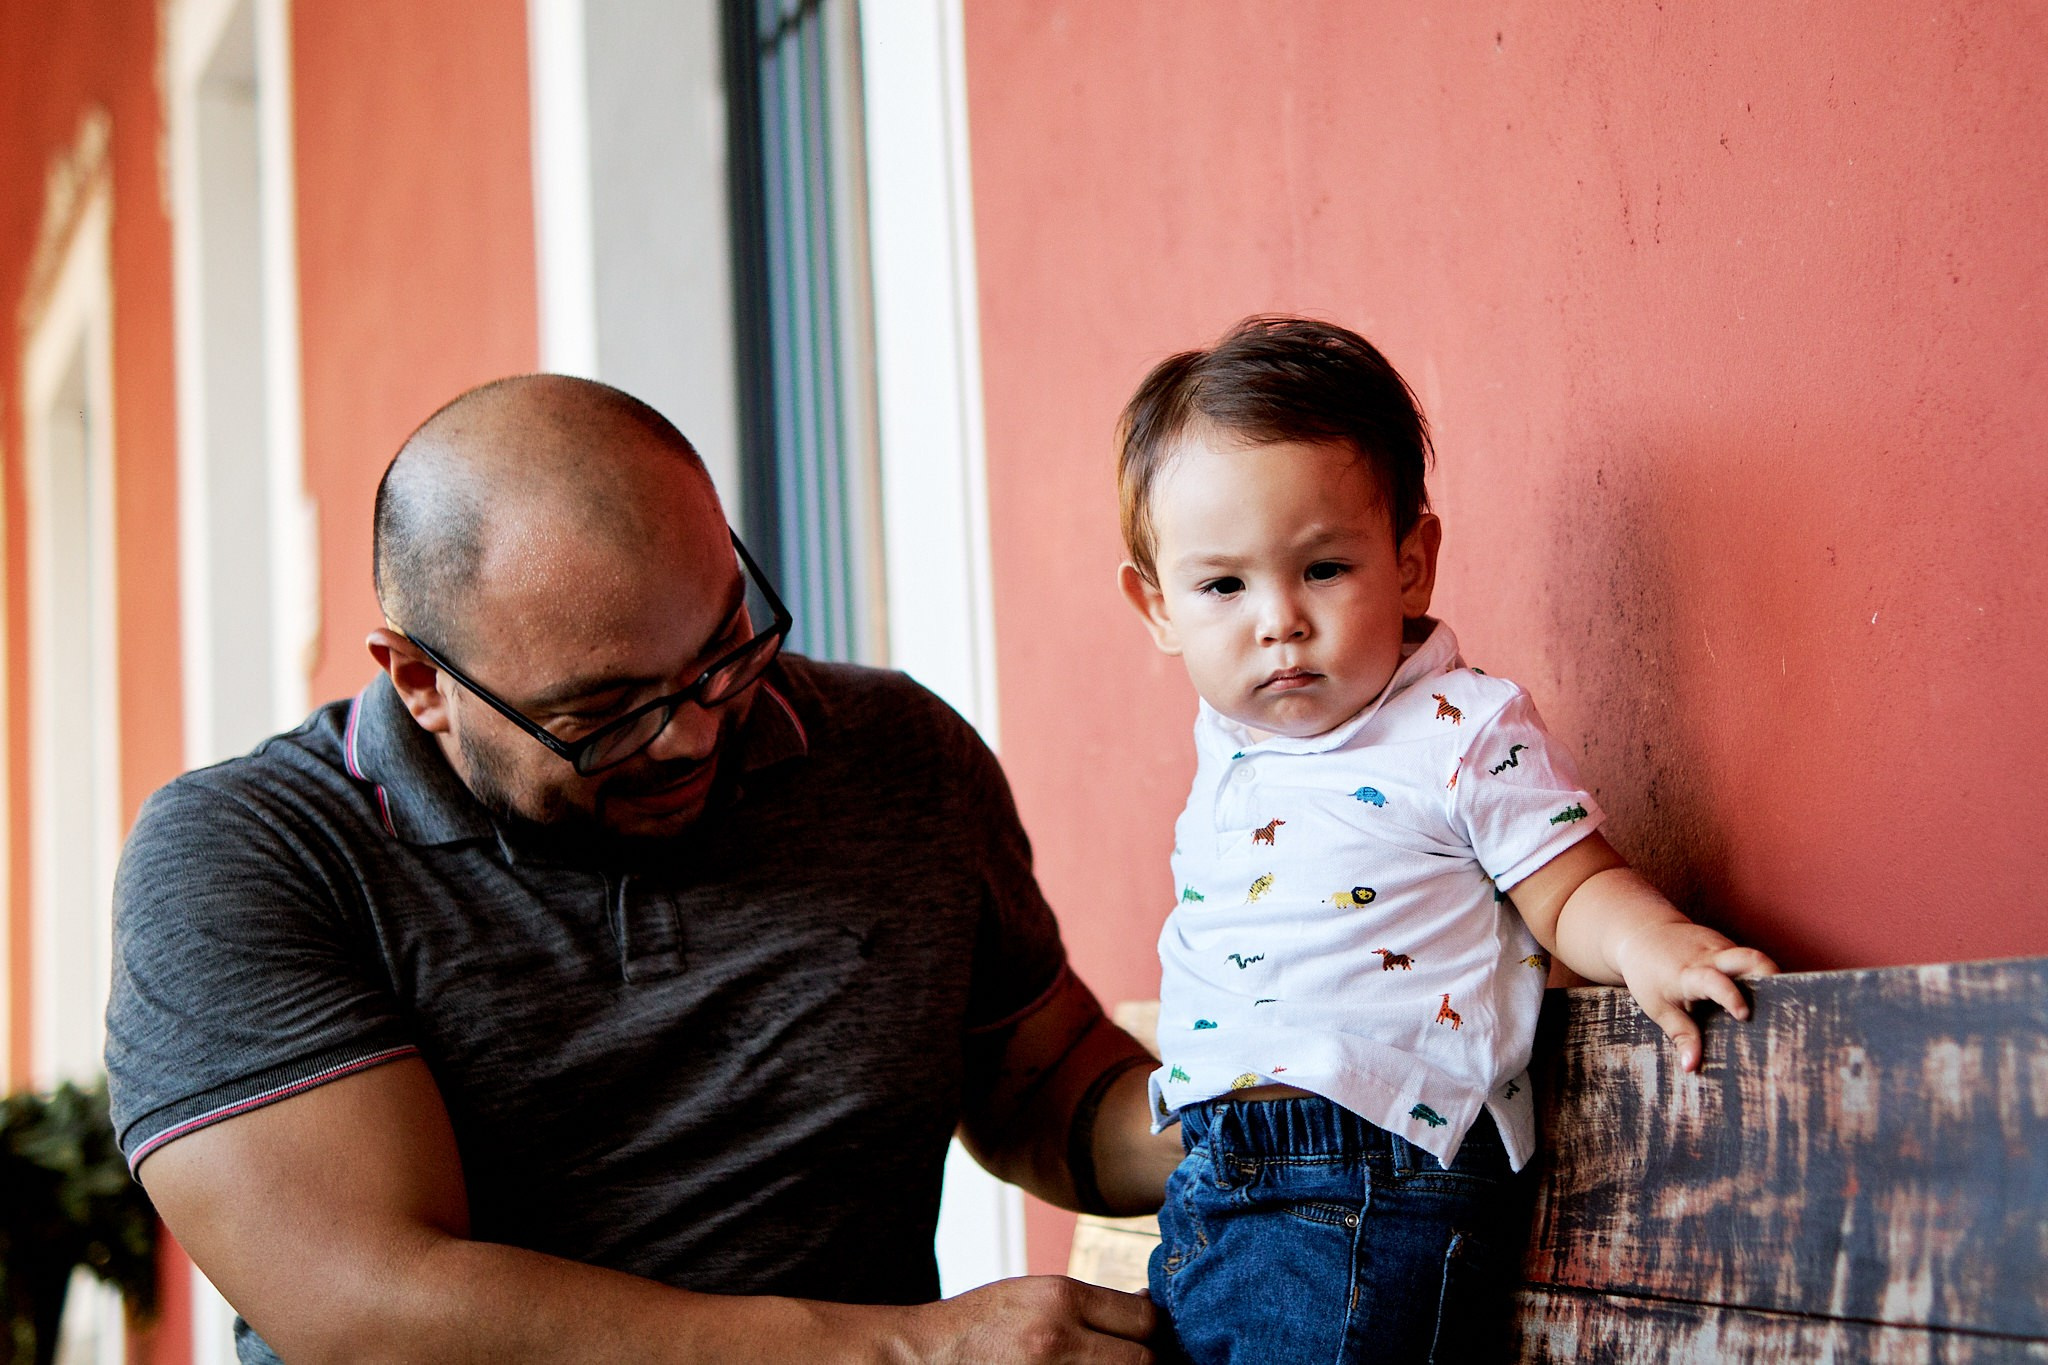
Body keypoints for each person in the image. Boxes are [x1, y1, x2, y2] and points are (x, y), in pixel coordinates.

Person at [106, 375, 1182, 1364]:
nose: (691, 736)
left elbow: (1042, 1090)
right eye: (604, 714)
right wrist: (908, 1352)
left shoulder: (893, 749)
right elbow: (374, 1309)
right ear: (420, 681)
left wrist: (1262, 1103)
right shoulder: (248, 856)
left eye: (723, 653)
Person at [1113, 317, 1780, 1362]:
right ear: (1157, 608)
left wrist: (1653, 942)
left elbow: (1563, 890)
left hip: (1366, 1179)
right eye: (1223, 587)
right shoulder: (1230, 748)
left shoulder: (1455, 731)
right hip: (1209, 1172)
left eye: (1323, 568)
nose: (1277, 620)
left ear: (1410, 562)